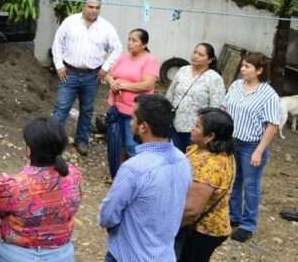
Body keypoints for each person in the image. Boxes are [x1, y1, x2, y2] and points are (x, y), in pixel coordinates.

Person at [99, 94, 192, 262]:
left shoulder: (134, 168)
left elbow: (108, 216)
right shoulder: (183, 160)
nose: (130, 123)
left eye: (133, 118)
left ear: (143, 127)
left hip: (129, 255)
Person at [0, 118, 83, 262]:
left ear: (29, 150)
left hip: (17, 255)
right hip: (60, 254)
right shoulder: (74, 176)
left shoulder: (12, 186)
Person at [51, 0, 122, 155]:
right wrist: (59, 65)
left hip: (92, 76)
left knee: (87, 109)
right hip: (69, 73)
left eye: (97, 8)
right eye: (90, 7)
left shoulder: (106, 27)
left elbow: (117, 48)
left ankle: (82, 141)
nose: (94, 10)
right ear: (83, 6)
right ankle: (53, 142)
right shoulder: (70, 22)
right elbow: (57, 42)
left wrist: (105, 67)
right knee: (61, 108)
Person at [221, 52, 280, 242]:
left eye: (247, 66)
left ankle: (248, 225)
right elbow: (224, 108)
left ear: (259, 70)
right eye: (243, 65)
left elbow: (272, 125)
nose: (242, 69)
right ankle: (234, 216)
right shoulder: (236, 85)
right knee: (235, 180)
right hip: (232, 141)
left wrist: (259, 151)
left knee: (251, 184)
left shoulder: (268, 95)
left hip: (251, 145)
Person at [177, 108, 235, 262]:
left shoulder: (209, 166)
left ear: (210, 136)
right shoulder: (205, 149)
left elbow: (192, 211)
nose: (192, 128)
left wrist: (166, 228)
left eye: (197, 126)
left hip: (203, 231)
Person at [104, 29, 160, 160]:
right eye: (129, 39)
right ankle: (122, 169)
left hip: (134, 111)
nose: (130, 43)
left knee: (132, 145)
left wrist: (123, 86)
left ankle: (138, 170)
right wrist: (112, 82)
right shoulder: (124, 57)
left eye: (134, 40)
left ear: (144, 44)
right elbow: (109, 75)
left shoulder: (150, 60)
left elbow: (147, 85)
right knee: (117, 143)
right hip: (117, 108)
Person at [165, 43, 225, 153]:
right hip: (174, 125)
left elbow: (216, 109)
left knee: (192, 160)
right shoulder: (183, 70)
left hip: (197, 131)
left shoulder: (215, 78)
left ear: (210, 60)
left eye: (201, 55)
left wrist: (207, 130)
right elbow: (170, 95)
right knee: (174, 157)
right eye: (195, 52)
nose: (195, 56)